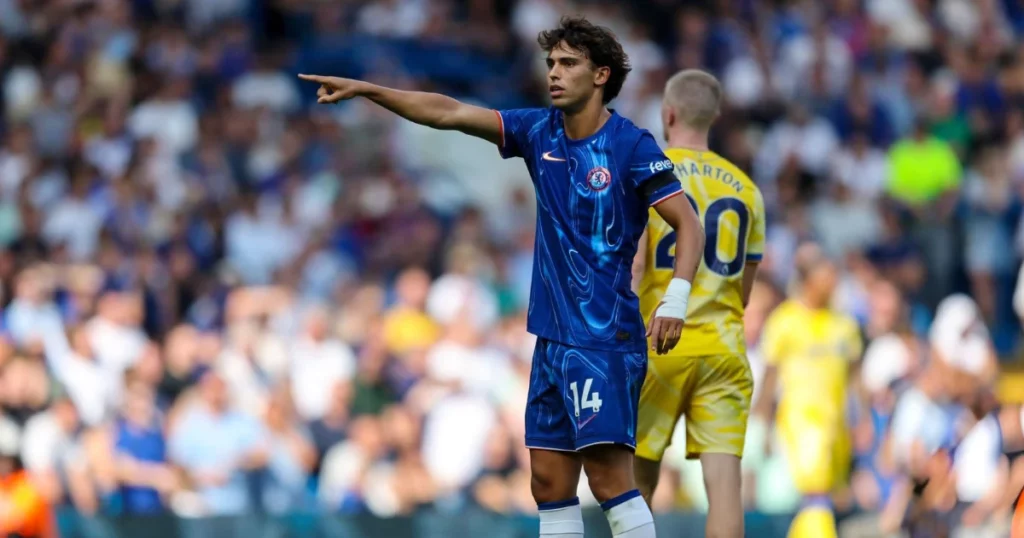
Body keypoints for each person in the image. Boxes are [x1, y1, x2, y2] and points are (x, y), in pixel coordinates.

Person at [299, 15, 705, 538]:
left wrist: (674, 299)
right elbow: (447, 112)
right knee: (547, 483)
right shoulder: (538, 131)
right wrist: (372, 91)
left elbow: (687, 223)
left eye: (567, 63)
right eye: (550, 63)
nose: (553, 73)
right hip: (551, 340)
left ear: (601, 74)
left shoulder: (632, 145)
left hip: (605, 336)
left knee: (608, 481)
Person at [631, 69, 764, 538]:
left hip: (657, 344)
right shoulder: (746, 188)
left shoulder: (647, 170)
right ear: (714, 117)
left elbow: (634, 267)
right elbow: (744, 293)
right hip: (724, 349)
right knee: (725, 489)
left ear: (668, 113)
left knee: (636, 484)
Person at [752, 243, 864, 538]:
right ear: (809, 280)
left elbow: (855, 380)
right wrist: (762, 428)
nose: (833, 283)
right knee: (815, 497)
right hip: (799, 427)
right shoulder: (784, 321)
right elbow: (769, 379)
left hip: (836, 430)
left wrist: (862, 421)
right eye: (826, 276)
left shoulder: (845, 325)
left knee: (821, 502)